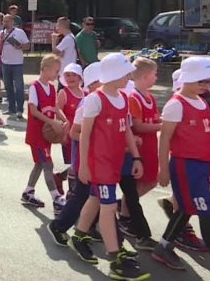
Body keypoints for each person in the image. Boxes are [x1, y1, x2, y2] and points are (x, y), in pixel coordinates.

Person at [70, 53, 148, 280]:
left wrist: (136, 158)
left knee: (96, 199)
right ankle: (115, 259)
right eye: (126, 74)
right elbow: (84, 135)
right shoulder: (95, 99)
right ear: (114, 74)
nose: (129, 77)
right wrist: (84, 166)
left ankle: (78, 237)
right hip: (100, 164)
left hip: (115, 162)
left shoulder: (123, 97)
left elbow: (127, 130)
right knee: (109, 206)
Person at [151, 57, 210, 269]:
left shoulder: (202, 101)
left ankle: (163, 247)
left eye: (209, 81)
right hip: (187, 166)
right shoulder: (176, 104)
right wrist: (163, 169)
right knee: (207, 210)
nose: (206, 85)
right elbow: (165, 138)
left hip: (203, 165)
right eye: (201, 81)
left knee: (186, 208)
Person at [48, 63, 102, 247]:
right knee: (82, 193)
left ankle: (87, 227)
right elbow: (75, 131)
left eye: (74, 75)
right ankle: (61, 226)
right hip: (80, 151)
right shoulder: (87, 102)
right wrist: (64, 128)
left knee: (93, 195)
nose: (70, 78)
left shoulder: (93, 98)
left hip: (95, 155)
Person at [116, 58, 160, 250]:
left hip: (150, 145)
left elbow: (154, 120)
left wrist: (161, 124)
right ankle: (125, 216)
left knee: (149, 181)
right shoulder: (134, 98)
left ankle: (123, 206)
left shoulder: (151, 97)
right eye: (154, 74)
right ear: (145, 76)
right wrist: (163, 126)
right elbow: (138, 125)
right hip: (138, 147)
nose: (156, 77)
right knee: (138, 185)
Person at [23, 54, 67, 213]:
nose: (58, 74)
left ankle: (28, 191)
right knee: (47, 164)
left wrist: (65, 120)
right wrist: (52, 122)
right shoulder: (34, 87)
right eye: (56, 70)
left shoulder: (52, 87)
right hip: (36, 134)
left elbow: (55, 107)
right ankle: (56, 198)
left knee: (40, 163)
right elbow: (34, 111)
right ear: (46, 69)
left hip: (46, 134)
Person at [55, 63, 84, 193]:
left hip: (82, 134)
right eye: (67, 75)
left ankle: (60, 176)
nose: (70, 78)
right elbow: (58, 112)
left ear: (80, 77)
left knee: (80, 162)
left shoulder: (86, 93)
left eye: (74, 75)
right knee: (75, 163)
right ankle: (72, 192)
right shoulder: (63, 93)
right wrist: (63, 133)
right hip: (69, 134)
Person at [0, 14, 30, 120]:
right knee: (8, 87)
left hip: (17, 63)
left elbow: (27, 45)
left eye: (7, 21)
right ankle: (11, 108)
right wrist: (0, 40)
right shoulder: (1, 33)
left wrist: (20, 46)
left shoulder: (19, 32)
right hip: (5, 63)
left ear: (12, 22)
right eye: (4, 21)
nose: (5, 23)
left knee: (19, 87)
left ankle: (19, 110)